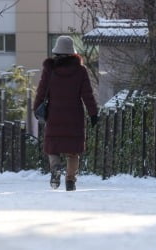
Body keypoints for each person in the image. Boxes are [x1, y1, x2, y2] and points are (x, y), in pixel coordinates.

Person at [33, 35, 98, 191]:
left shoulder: (50, 70)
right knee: (73, 151)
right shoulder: (80, 71)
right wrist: (93, 113)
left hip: (54, 115)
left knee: (52, 147)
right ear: (72, 52)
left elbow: (42, 91)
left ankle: (55, 169)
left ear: (56, 51)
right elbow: (87, 94)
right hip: (74, 115)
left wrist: (36, 108)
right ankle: (70, 180)